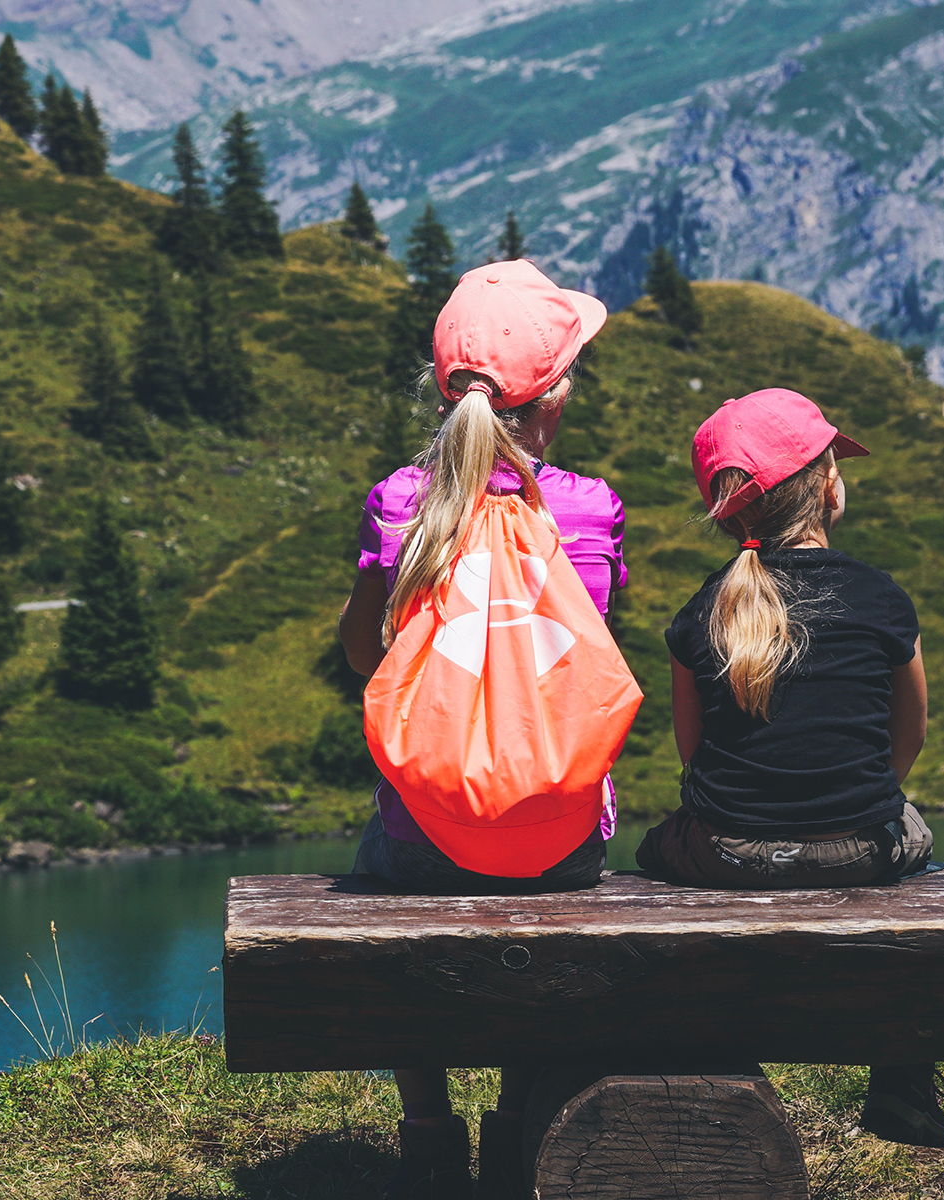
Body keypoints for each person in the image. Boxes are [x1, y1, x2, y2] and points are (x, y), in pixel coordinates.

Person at [339, 259, 628, 1199]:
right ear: (556, 397)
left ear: (441, 385)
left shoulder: (396, 504)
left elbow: (361, 656)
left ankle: (427, 1121)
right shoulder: (587, 511)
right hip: (563, 842)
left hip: (423, 842)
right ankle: (517, 1114)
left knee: (381, 850)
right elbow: (583, 659)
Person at [636, 387, 944, 1148]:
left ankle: (719, 1052)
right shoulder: (882, 598)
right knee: (915, 830)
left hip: (728, 853)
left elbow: (693, 757)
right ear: (828, 485)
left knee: (654, 849)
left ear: (730, 514)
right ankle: (902, 1073)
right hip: (861, 848)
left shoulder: (701, 609)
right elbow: (905, 741)